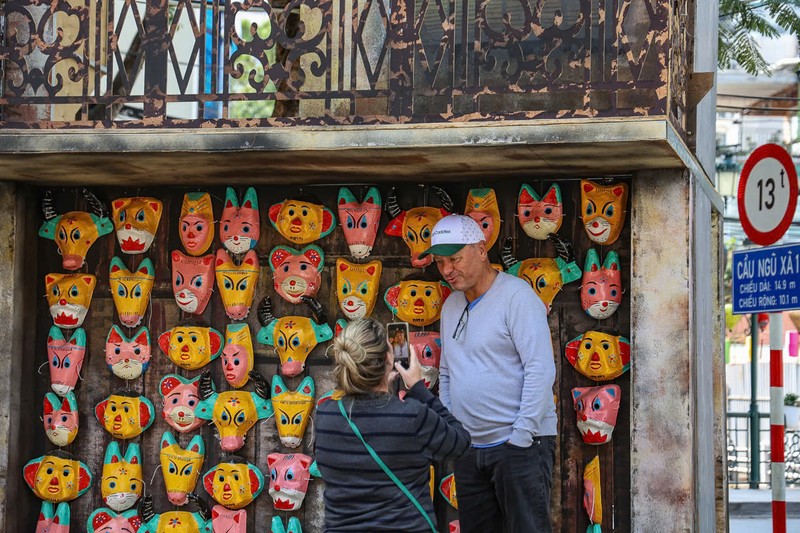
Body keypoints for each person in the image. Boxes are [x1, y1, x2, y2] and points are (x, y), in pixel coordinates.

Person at [419, 214, 557, 533]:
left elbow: (540, 368)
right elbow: (448, 372)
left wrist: (521, 437)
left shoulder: (517, 297)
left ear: (481, 250)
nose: (447, 270)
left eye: (455, 259)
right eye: (440, 262)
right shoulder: (451, 306)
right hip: (471, 448)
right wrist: (456, 433)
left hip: (520, 443)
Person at [315, 318, 470, 532]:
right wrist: (418, 387)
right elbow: (460, 442)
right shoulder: (412, 417)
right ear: (389, 358)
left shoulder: (325, 417)